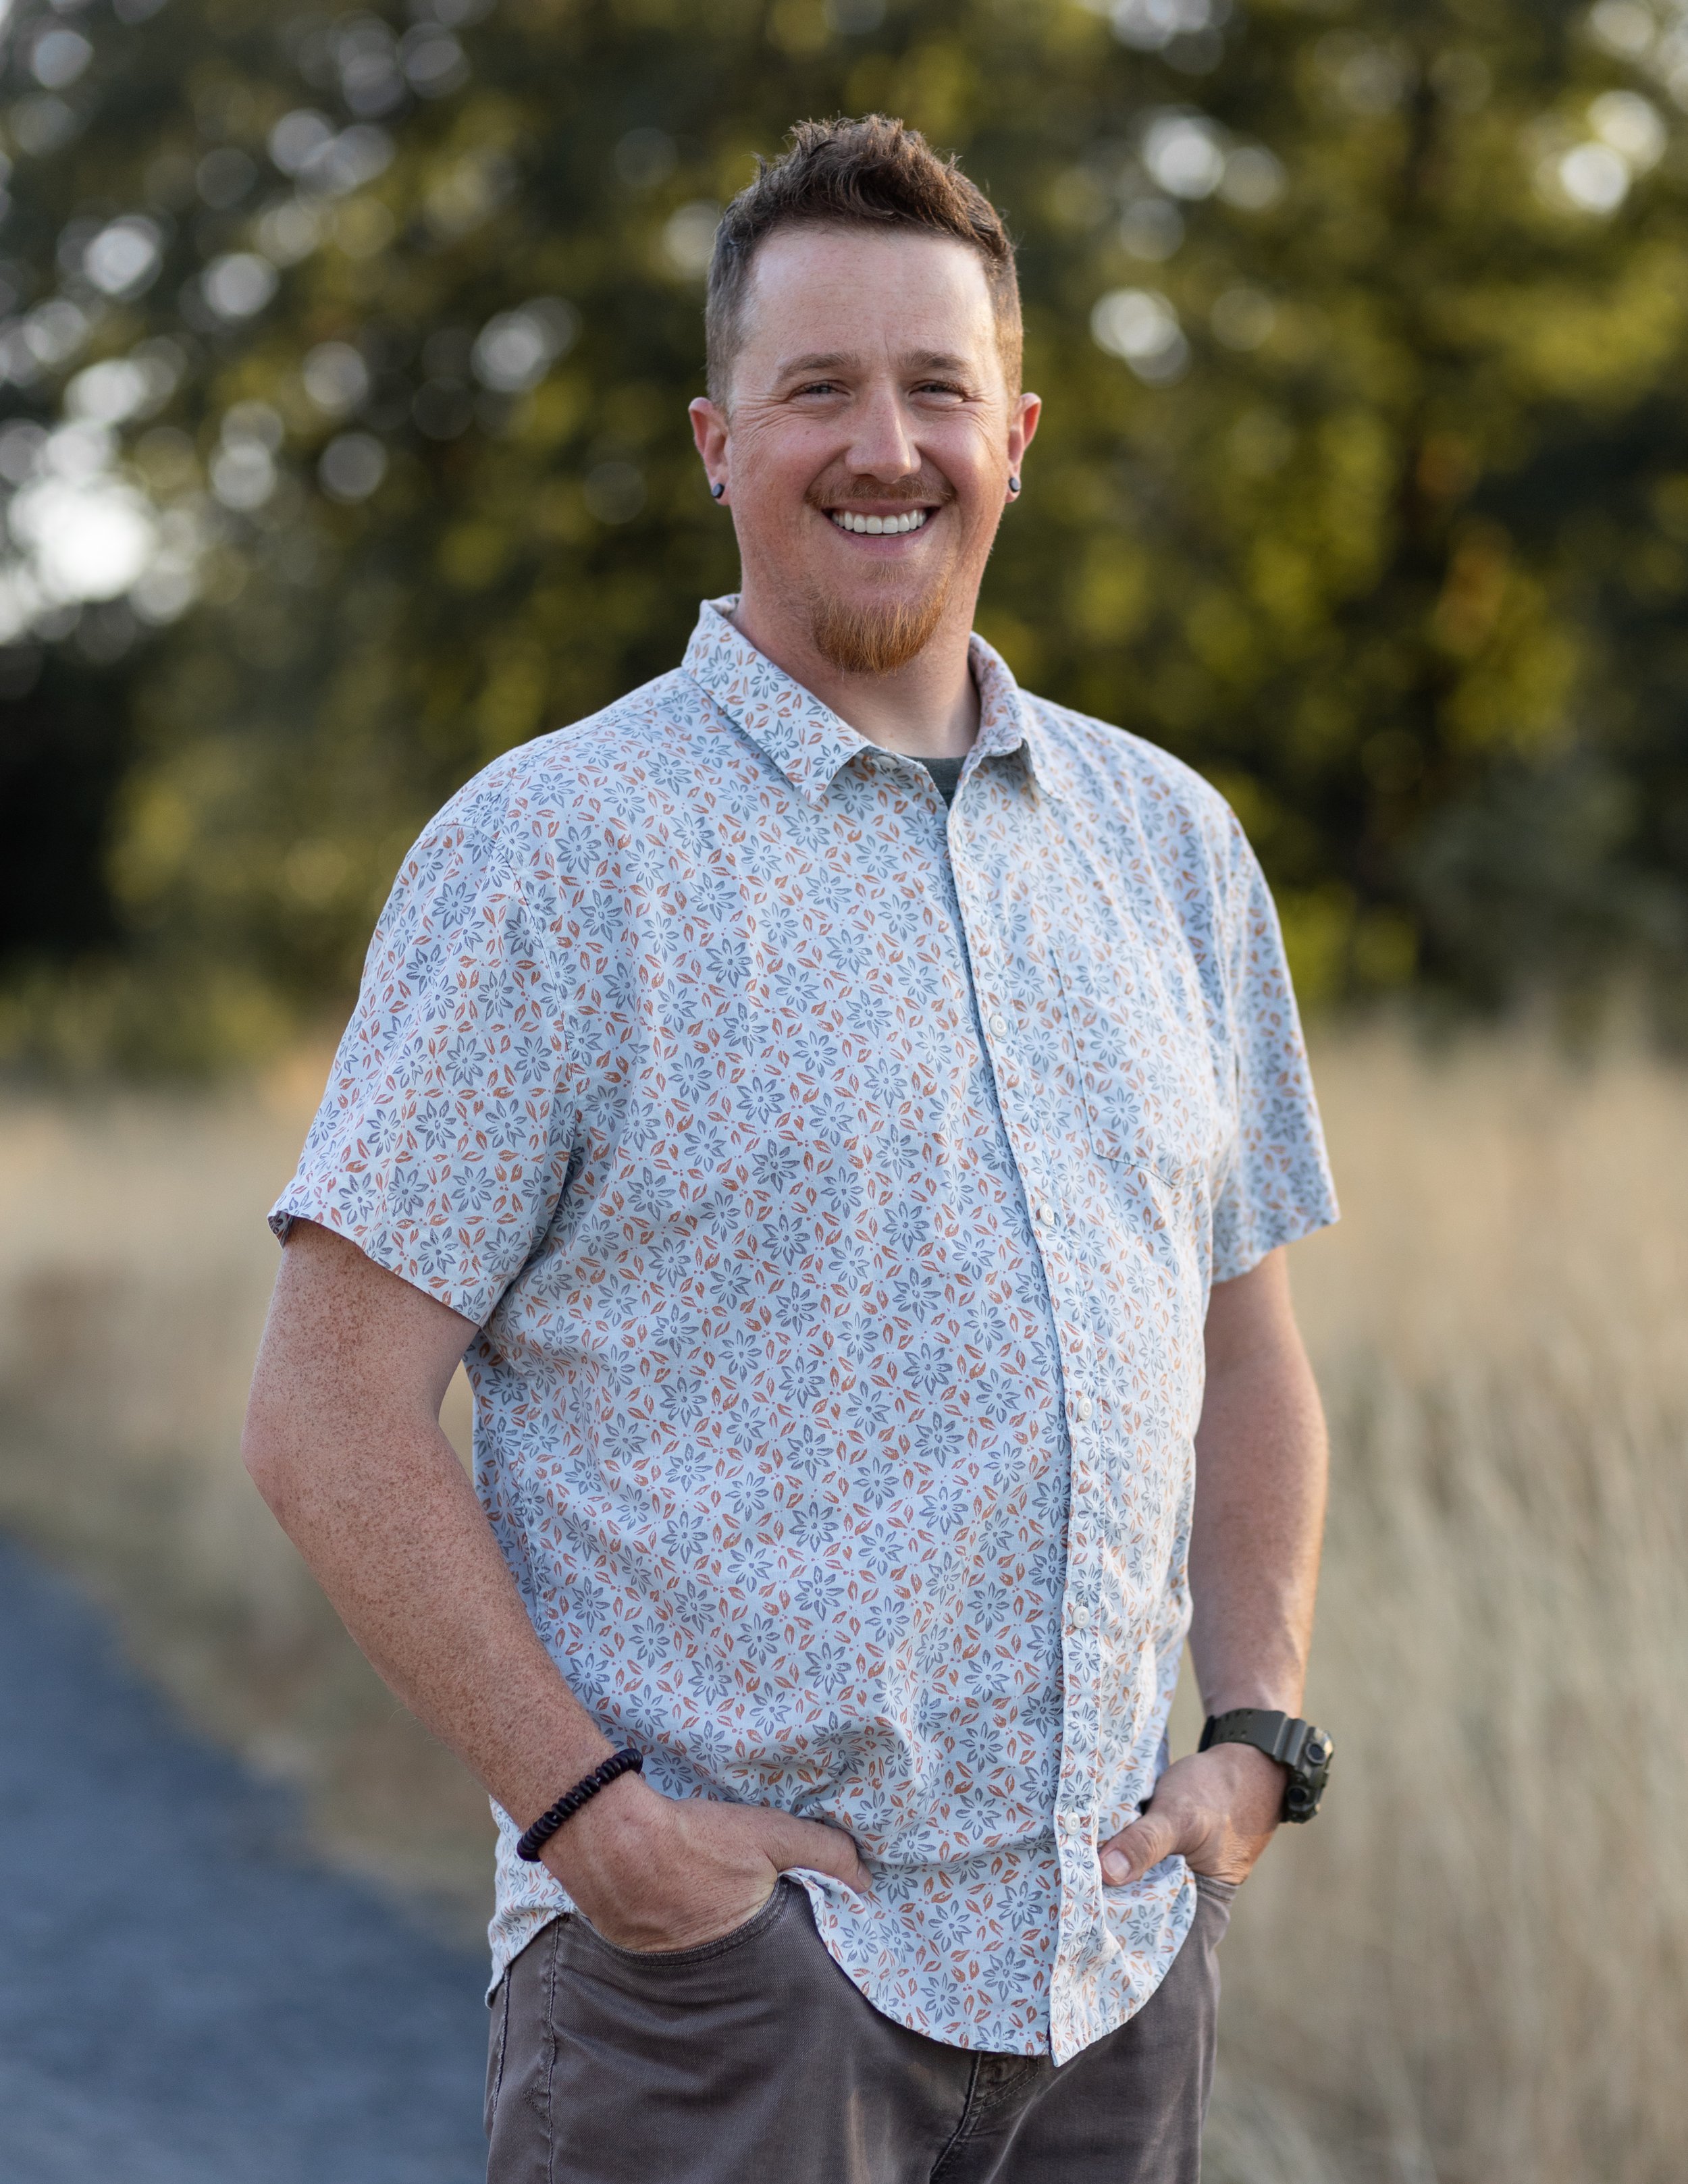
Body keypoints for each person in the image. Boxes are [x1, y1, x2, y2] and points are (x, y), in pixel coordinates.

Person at [243, 113, 1338, 2184]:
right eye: (817, 388)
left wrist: (1255, 1733)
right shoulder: (555, 856)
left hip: (1110, 1986)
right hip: (722, 2005)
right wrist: (598, 1827)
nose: (883, 445)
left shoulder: (1170, 850)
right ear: (715, 441)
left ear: (1014, 434)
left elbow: (1243, 1340)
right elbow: (324, 1413)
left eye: (936, 388)